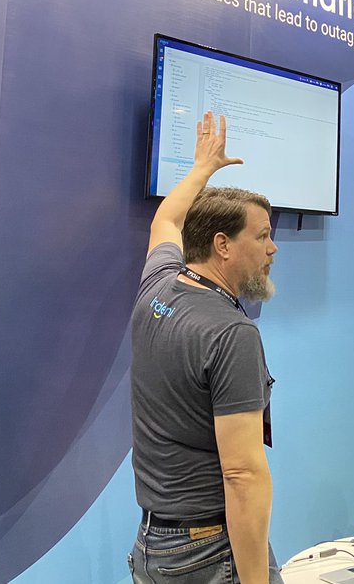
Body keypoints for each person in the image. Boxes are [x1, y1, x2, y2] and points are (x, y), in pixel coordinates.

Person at [128, 112, 283, 584]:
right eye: (262, 235)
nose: (273, 249)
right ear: (223, 245)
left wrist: (202, 169)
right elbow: (242, 476)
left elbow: (167, 219)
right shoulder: (232, 334)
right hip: (209, 554)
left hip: (153, 548)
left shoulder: (157, 287)